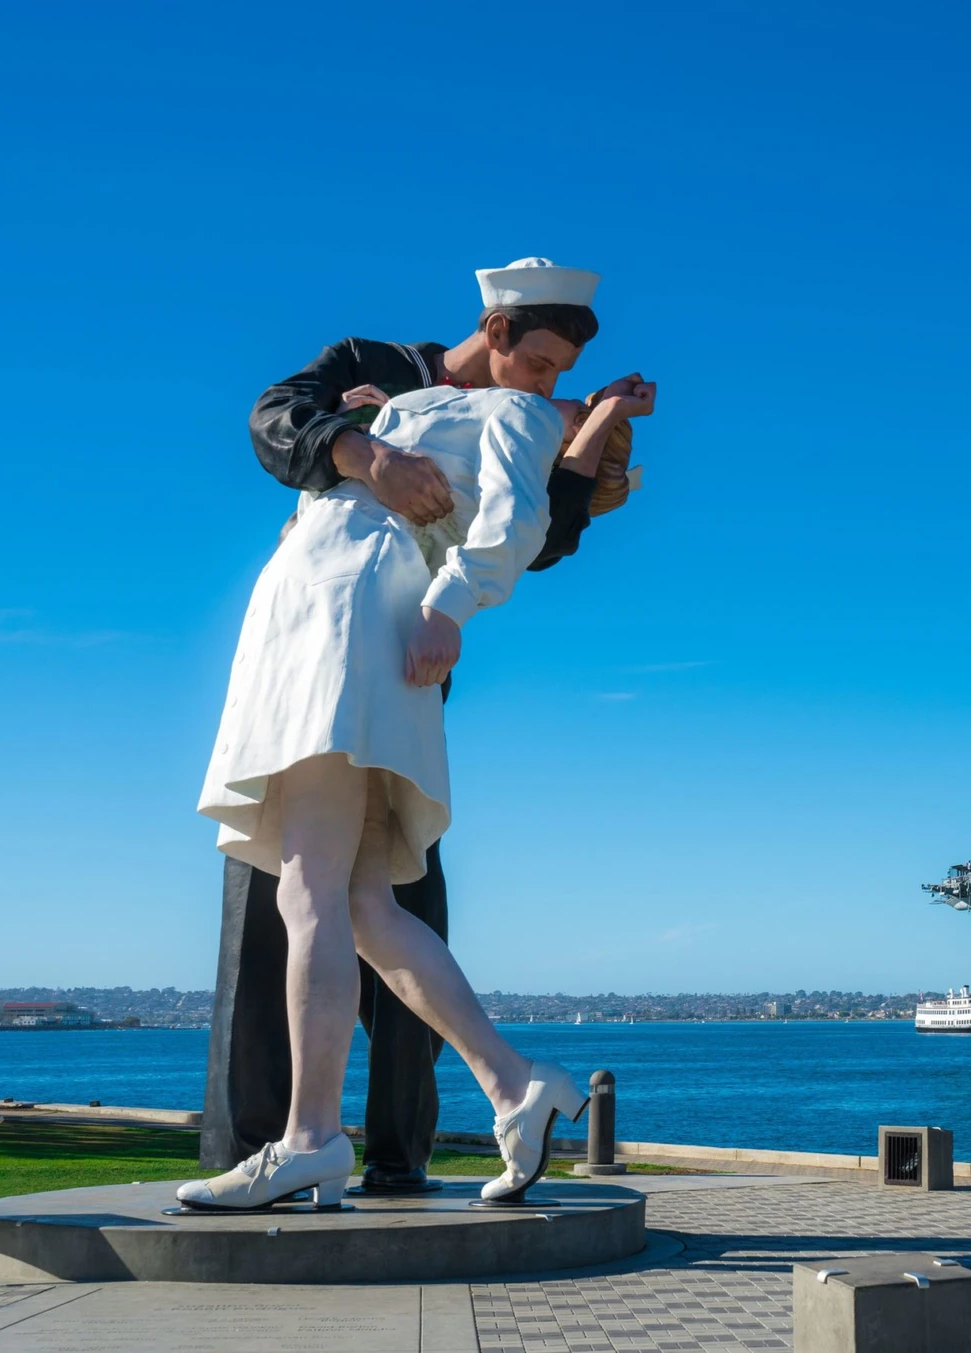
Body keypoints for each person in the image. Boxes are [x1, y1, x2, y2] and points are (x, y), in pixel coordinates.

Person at [183, 258, 656, 1210]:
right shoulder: (400, 390)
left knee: (313, 885)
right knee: (363, 902)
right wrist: (374, 427)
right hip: (318, 616)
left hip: (349, 622)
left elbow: (529, 527)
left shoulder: (518, 417)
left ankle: (311, 1137)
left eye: (565, 375)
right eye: (541, 361)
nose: (548, 384)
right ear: (496, 329)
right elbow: (282, 421)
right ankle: (514, 1083)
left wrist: (447, 602)